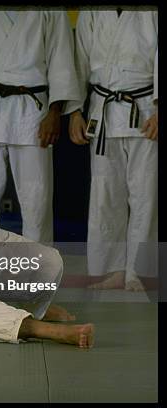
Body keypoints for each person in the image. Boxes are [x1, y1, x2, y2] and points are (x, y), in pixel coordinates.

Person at [0, 10, 81, 243]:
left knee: (36, 200)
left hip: (33, 112)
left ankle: (38, 272)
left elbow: (61, 63)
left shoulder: (51, 14)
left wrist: (55, 112)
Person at [67, 10, 158, 291]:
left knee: (145, 196)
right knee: (104, 197)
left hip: (145, 111)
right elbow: (79, 62)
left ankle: (140, 273)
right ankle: (110, 271)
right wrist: (74, 111)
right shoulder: (91, 12)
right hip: (102, 111)